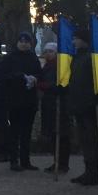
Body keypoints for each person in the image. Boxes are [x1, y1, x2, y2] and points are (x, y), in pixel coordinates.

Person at [67, 28, 98, 187]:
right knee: (84, 140)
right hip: (78, 104)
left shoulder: (90, 58)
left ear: (83, 40)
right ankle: (88, 170)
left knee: (91, 139)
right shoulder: (77, 58)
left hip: (89, 105)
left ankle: (94, 173)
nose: (73, 41)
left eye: (76, 38)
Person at [2, 33, 41, 172]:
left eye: (26, 41)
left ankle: (25, 160)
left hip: (29, 100)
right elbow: (3, 75)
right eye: (21, 41)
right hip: (14, 100)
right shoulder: (10, 58)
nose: (24, 44)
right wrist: (19, 77)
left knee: (27, 132)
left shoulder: (33, 57)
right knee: (14, 131)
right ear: (17, 43)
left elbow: (39, 73)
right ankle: (14, 160)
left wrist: (35, 78)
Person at [37, 42, 71, 174]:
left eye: (51, 51)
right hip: (49, 103)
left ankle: (63, 163)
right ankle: (57, 161)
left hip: (59, 103)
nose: (48, 54)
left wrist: (44, 85)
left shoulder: (59, 66)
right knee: (53, 133)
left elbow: (58, 84)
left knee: (61, 134)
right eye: (46, 51)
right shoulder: (47, 66)